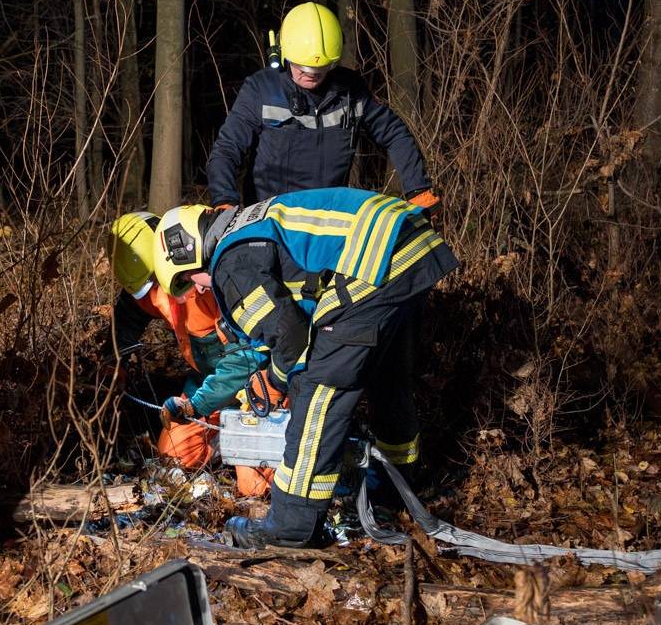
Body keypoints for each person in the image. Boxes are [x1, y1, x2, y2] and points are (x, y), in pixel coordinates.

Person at [150, 188, 458, 549]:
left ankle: (290, 523)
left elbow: (292, 343)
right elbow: (284, 331)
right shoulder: (252, 226)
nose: (198, 290)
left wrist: (279, 381)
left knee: (317, 389)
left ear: (192, 251)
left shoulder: (229, 260)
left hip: (373, 260)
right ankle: (392, 490)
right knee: (387, 380)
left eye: (190, 280)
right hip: (409, 245)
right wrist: (269, 378)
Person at [204, 2, 441, 214]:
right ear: (284, 53)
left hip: (329, 220)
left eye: (320, 70)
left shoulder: (350, 90)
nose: (311, 76)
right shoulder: (261, 90)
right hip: (270, 219)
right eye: (302, 68)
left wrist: (417, 188)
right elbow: (227, 149)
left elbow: (394, 133)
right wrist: (225, 202)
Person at [110, 212, 276, 495]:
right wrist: (117, 360)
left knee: (256, 487)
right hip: (206, 382)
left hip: (257, 383)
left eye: (154, 282)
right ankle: (223, 441)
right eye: (144, 288)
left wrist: (195, 406)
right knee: (173, 457)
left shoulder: (208, 282)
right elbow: (127, 315)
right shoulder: (146, 289)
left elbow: (244, 360)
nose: (153, 294)